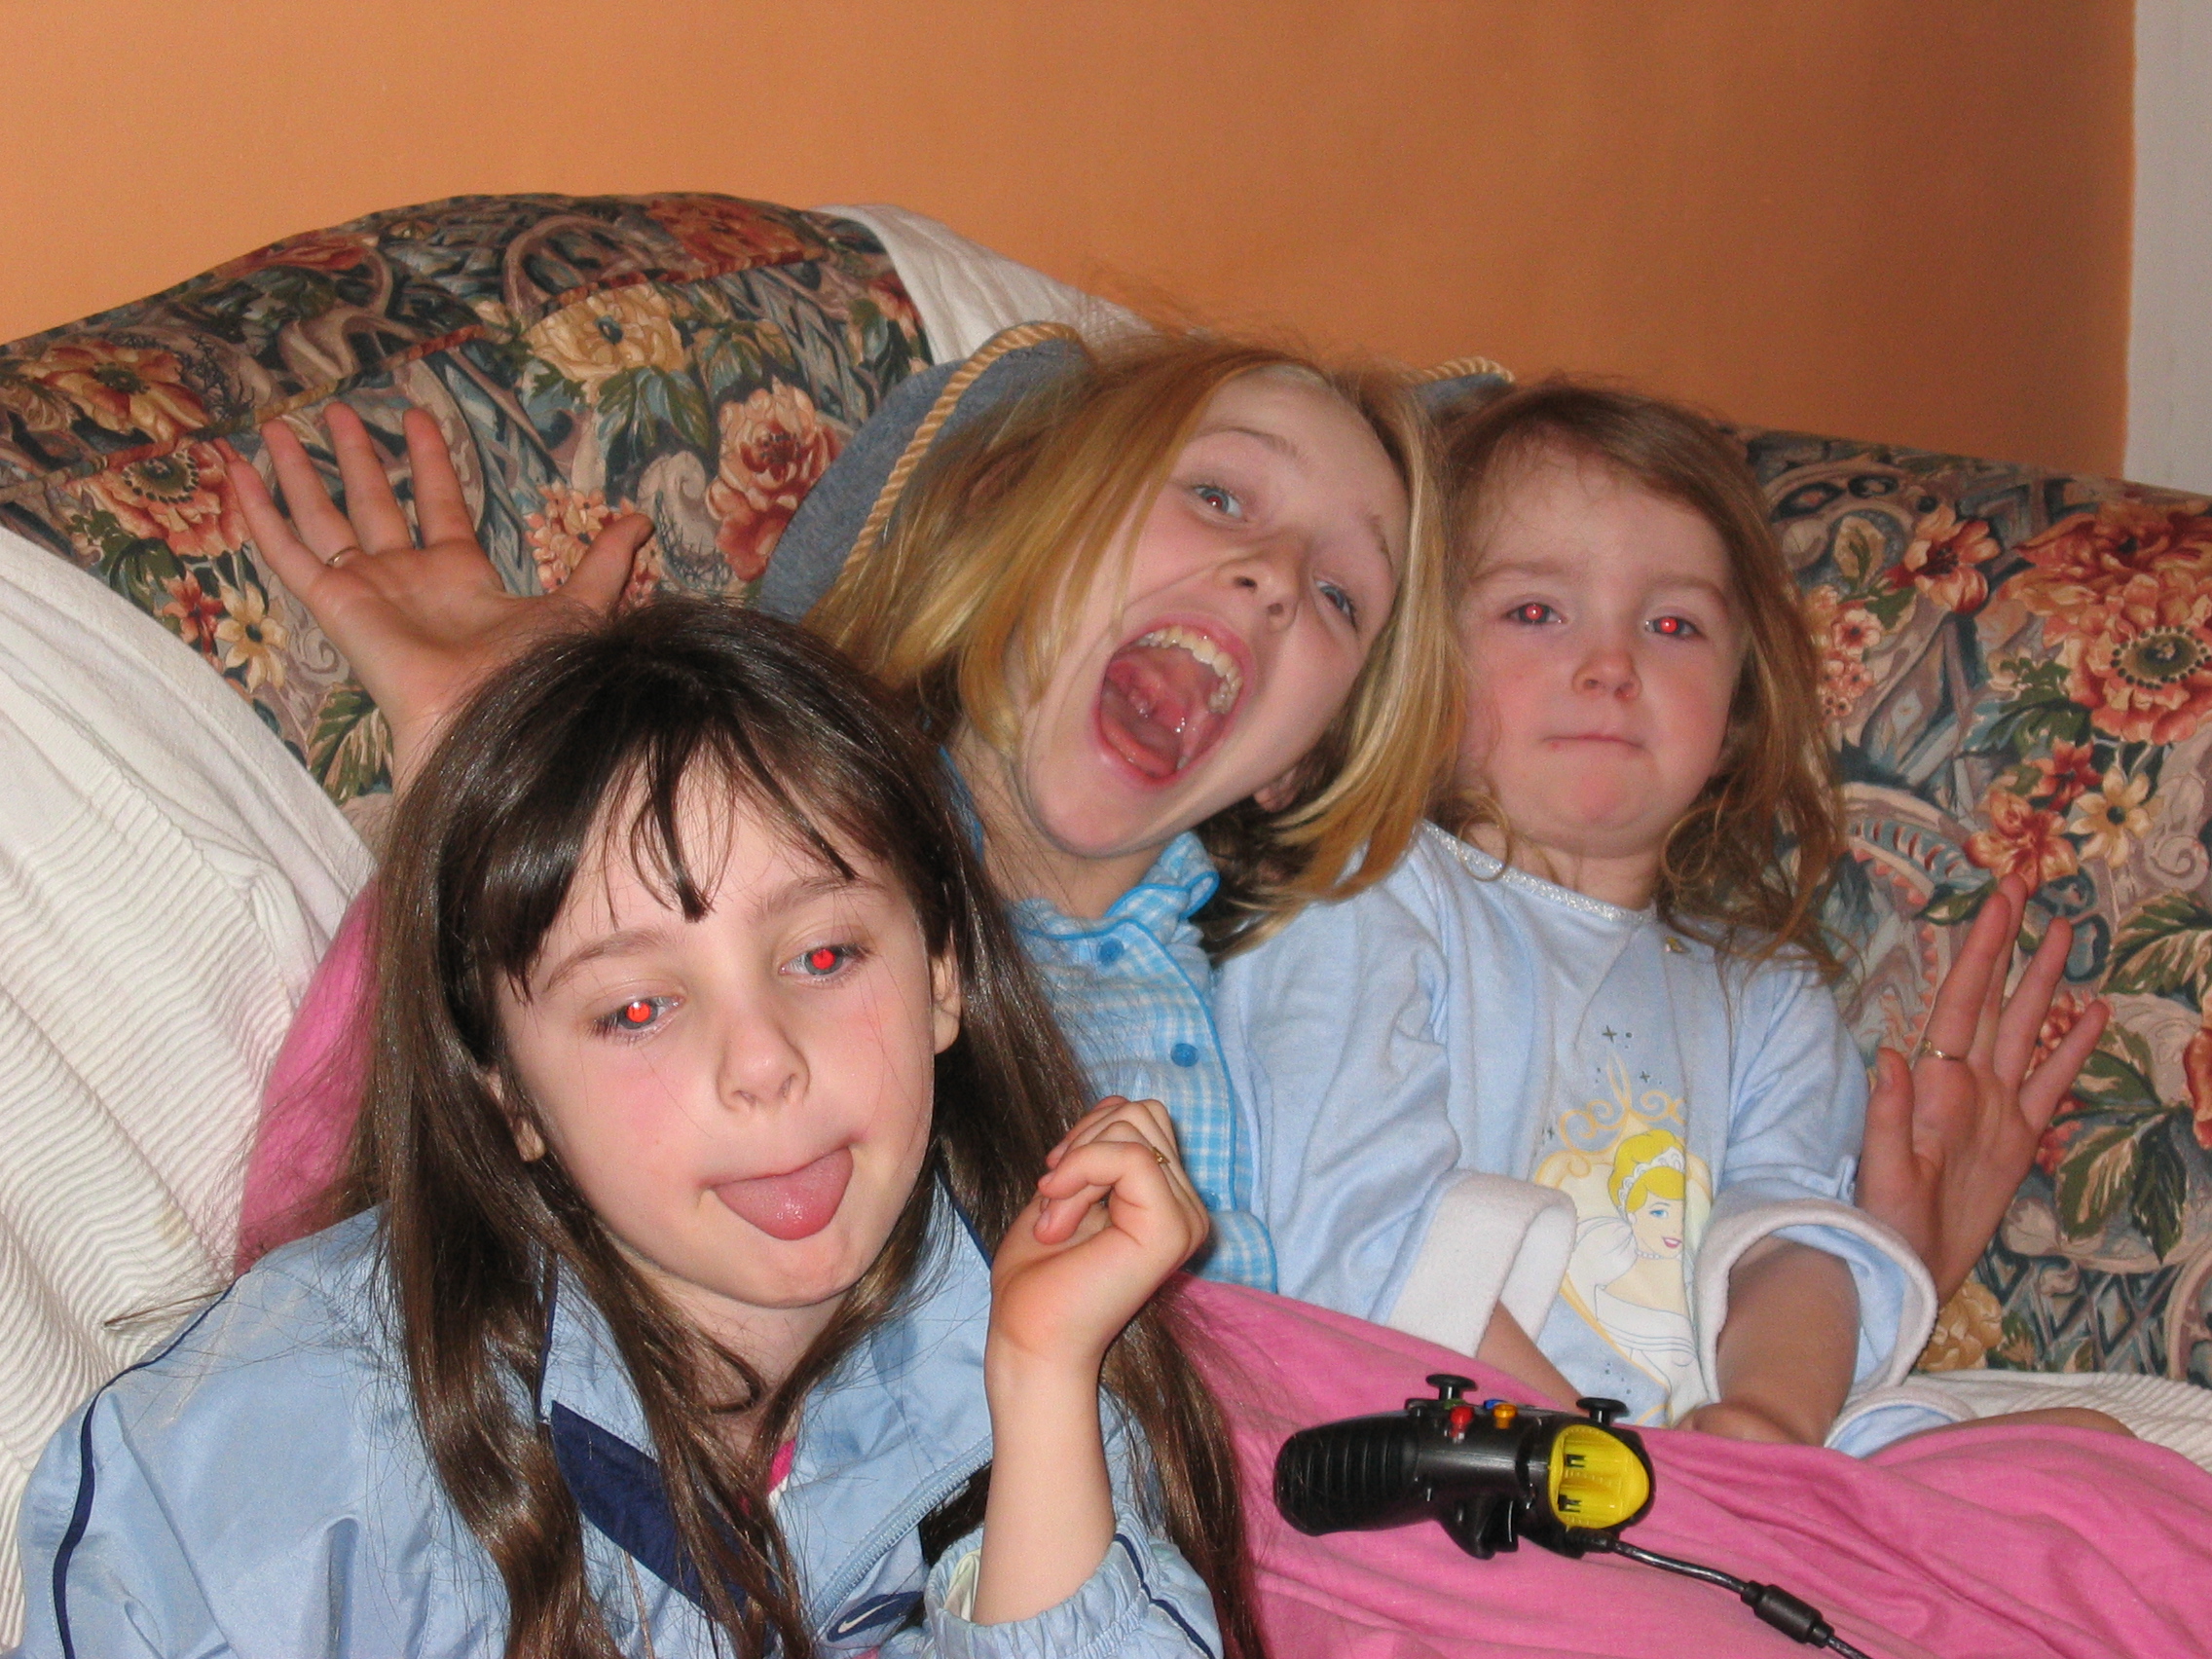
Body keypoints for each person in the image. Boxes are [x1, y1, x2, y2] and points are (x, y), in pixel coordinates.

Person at [12, 600, 1260, 1657]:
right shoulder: (299, 1448)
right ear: (510, 1095)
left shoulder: (1029, 1350)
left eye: (824, 955)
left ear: (941, 973)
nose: (764, 1064)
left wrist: (1039, 1382)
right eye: (638, 1010)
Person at [223, 329, 1459, 1292]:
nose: (1277, 579)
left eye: (1342, 596)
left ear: (1302, 759)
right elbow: (356, 1218)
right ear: (1007, 514)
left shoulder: (1306, 977)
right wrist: (484, 751)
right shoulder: (779, 855)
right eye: (1222, 498)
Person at [1214, 380, 2112, 1446]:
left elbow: (1794, 1249)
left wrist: (1767, 1420)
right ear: (1416, 662)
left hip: (1698, 1467)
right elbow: (1353, 1228)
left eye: (1673, 624)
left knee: (2094, 1458)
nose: (1611, 667)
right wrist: (1613, 1470)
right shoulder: (1361, 893)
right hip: (1439, 1449)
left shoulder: (1766, 1000)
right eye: (1534, 612)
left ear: (1737, 712)